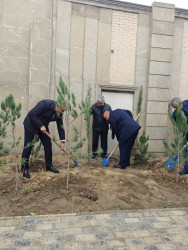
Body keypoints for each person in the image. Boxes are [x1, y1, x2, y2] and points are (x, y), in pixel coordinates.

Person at [21, 99, 65, 178]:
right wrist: (40, 125)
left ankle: (49, 166)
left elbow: (60, 127)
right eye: (62, 110)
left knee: (48, 144)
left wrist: (62, 142)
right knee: (28, 146)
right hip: (31, 124)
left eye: (64, 111)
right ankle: (24, 168)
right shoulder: (45, 104)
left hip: (43, 126)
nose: (62, 113)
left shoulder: (59, 113)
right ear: (57, 106)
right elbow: (32, 114)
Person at [170, 97, 188, 175]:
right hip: (186, 132)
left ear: (181, 104)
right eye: (173, 108)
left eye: (175, 107)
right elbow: (179, 126)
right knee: (186, 151)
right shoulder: (174, 114)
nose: (174, 109)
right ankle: (187, 169)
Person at [91, 95, 112, 159]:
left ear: (103, 101)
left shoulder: (108, 106)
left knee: (104, 142)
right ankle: (95, 154)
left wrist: (111, 125)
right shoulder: (93, 106)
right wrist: (86, 116)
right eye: (98, 103)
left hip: (104, 127)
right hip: (96, 127)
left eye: (101, 103)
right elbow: (89, 112)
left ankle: (103, 155)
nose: (100, 104)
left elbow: (111, 116)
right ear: (97, 101)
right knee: (95, 141)